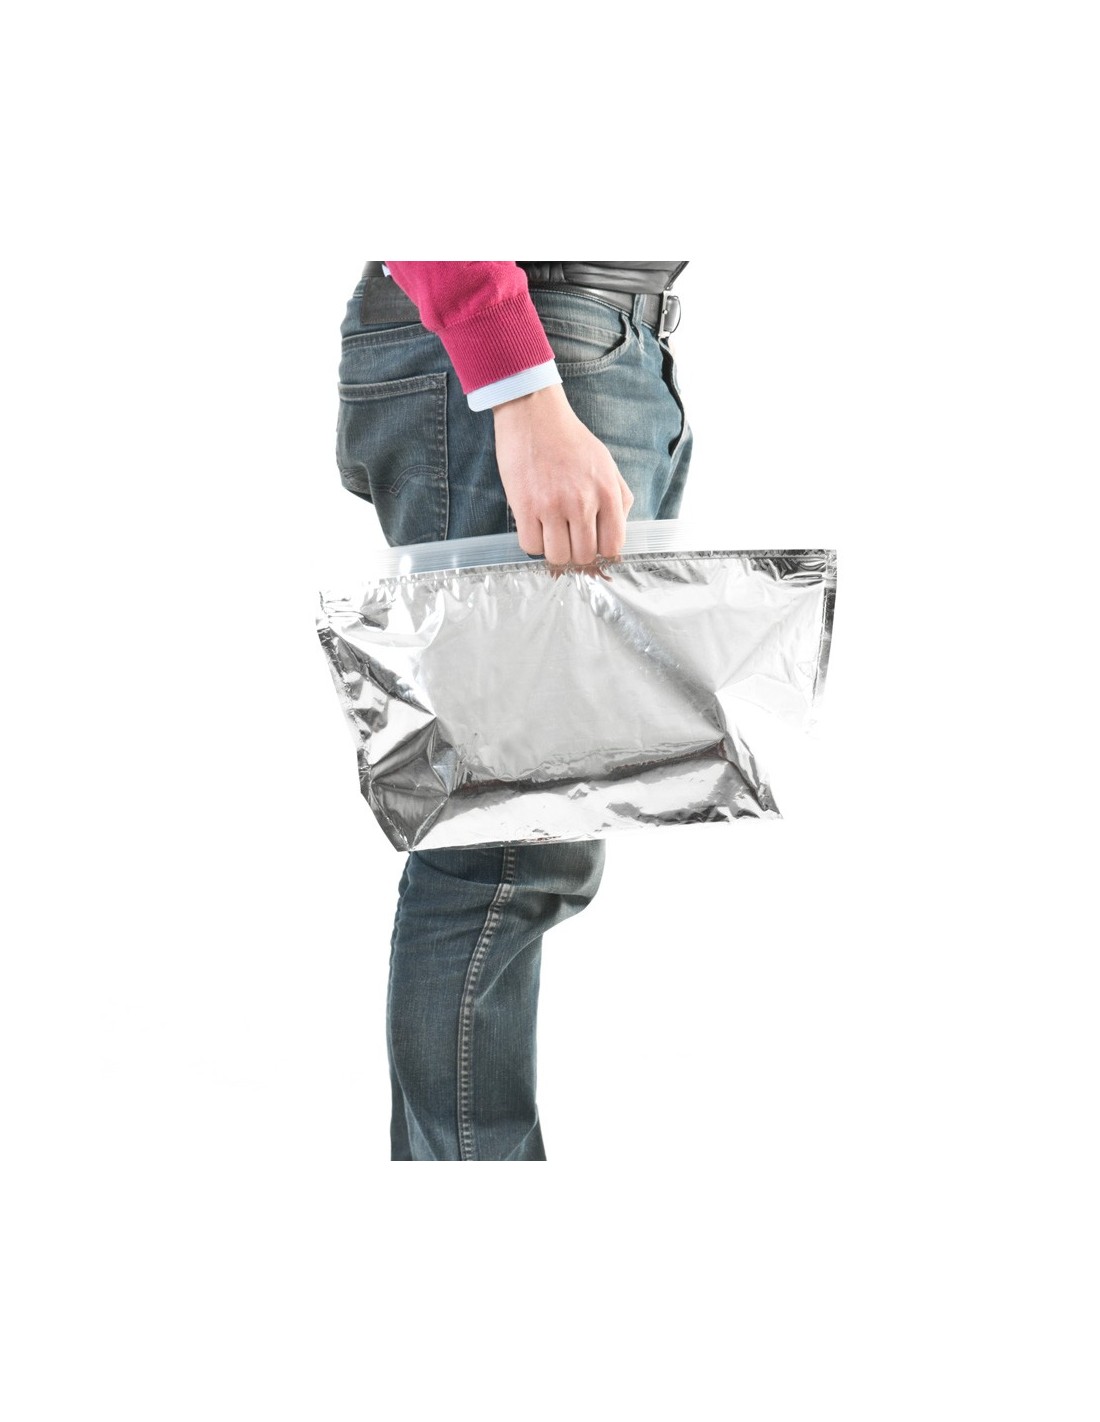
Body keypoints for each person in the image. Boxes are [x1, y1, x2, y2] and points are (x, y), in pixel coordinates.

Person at [336, 261, 692, 1160]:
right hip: (536, 338)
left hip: (591, 340)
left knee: (518, 839)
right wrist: (522, 385)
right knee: (502, 851)